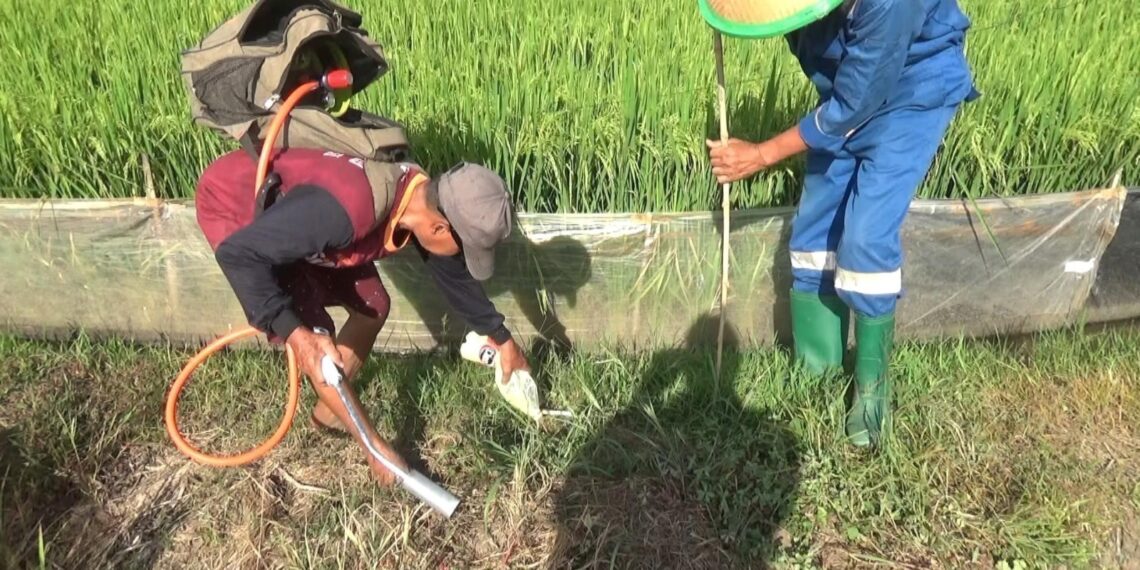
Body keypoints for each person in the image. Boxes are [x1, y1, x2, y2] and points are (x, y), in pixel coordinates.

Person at [707, 0, 979, 446]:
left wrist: (761, 154)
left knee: (866, 236)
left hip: (913, 92)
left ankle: (871, 392)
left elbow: (852, 106)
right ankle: (816, 368)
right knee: (814, 227)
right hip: (847, 92)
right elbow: (842, 94)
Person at [194, 150, 531, 485]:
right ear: (440, 227)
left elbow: (450, 273)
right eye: (466, 250)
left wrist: (502, 339)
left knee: (373, 306)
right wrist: (297, 335)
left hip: (304, 224)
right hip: (242, 211)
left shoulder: (420, 194)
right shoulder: (346, 212)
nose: (462, 259)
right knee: (318, 341)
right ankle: (373, 450)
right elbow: (239, 255)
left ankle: (328, 416)